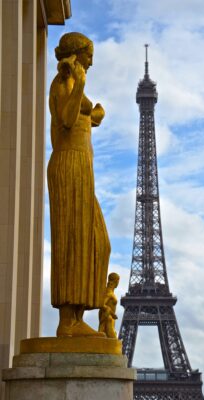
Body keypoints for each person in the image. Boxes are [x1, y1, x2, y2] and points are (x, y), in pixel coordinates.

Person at [47, 32, 110, 337]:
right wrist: (80, 84)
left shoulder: (72, 86)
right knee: (72, 241)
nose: (92, 61)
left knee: (97, 241)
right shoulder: (62, 84)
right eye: (89, 55)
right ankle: (68, 322)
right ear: (76, 55)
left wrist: (94, 107)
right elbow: (69, 118)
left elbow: (93, 114)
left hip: (83, 169)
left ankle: (79, 314)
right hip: (68, 166)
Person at [99, 273, 120, 338]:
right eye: (118, 281)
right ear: (116, 281)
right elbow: (101, 304)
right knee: (113, 340)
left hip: (110, 318)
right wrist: (112, 313)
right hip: (108, 318)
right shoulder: (109, 292)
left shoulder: (110, 292)